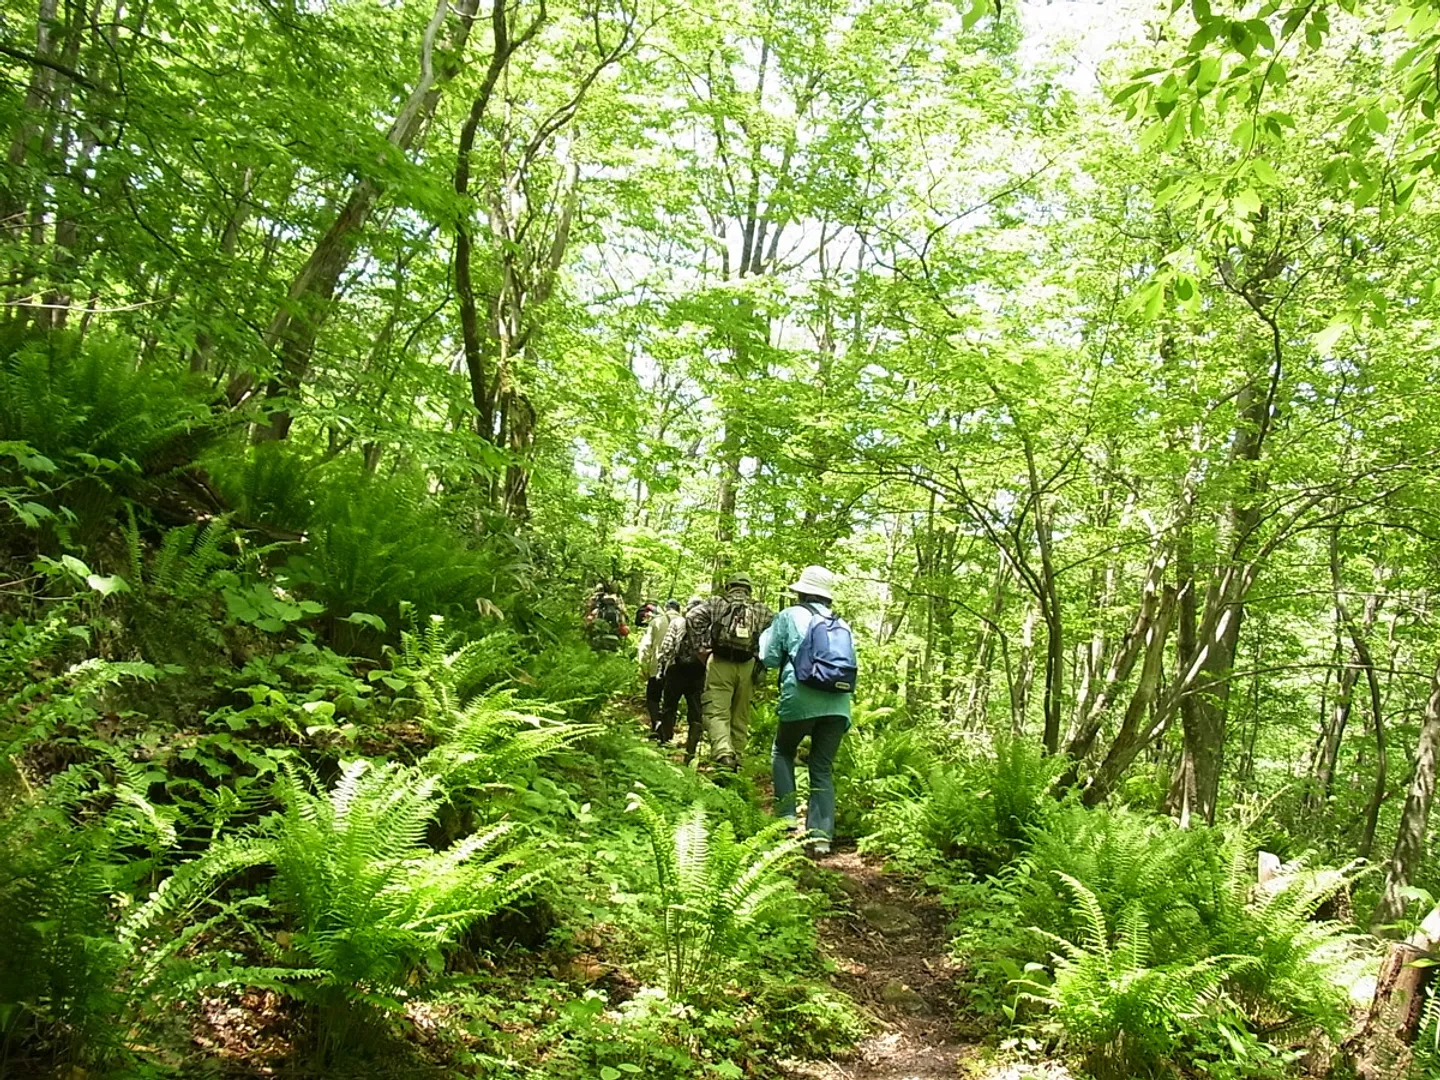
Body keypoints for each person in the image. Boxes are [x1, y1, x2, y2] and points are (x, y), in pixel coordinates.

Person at [760, 565, 855, 857]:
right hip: (838, 703)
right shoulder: (843, 624)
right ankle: (821, 838)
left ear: (801, 591)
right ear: (827, 597)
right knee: (822, 766)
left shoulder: (790, 616)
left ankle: (786, 818)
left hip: (800, 697)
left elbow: (769, 657)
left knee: (783, 751)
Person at [697, 572, 772, 771]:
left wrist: (700, 648)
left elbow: (693, 617)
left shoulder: (716, 602)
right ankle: (737, 759)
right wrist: (761, 657)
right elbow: (774, 634)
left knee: (716, 711)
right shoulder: (761, 609)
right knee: (741, 715)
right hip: (748, 665)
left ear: (729, 586)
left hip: (720, 662)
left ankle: (723, 754)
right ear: (749, 588)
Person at [657, 596, 708, 763]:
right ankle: (690, 753)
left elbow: (667, 646)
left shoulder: (678, 621)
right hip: (698, 672)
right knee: (695, 713)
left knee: (669, 707)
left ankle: (665, 747)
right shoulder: (708, 625)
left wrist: (662, 668)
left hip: (676, 670)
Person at [637, 599, 680, 734]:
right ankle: (667, 730)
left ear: (666, 608)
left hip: (657, 666)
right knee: (671, 701)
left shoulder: (656, 621)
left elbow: (646, 645)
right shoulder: (685, 621)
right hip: (676, 668)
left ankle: (656, 723)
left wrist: (643, 665)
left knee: (653, 697)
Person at [584, 583, 628, 652]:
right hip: (614, 630)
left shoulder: (597, 598)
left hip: (599, 628)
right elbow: (624, 612)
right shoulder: (618, 599)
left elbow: (588, 608)